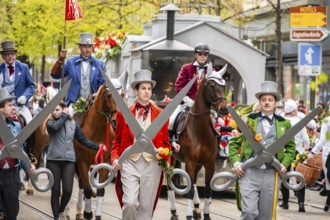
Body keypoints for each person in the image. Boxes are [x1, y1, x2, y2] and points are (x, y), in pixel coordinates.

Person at [229, 81, 295, 220]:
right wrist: (236, 164)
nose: (266, 103)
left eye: (270, 100)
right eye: (263, 99)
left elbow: (291, 148)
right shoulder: (248, 121)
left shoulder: (285, 123)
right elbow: (234, 144)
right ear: (259, 102)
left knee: (266, 216)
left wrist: (284, 164)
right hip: (249, 173)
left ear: (275, 102)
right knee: (249, 212)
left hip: (272, 174)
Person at [111, 70, 171, 220]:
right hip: (130, 162)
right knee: (130, 202)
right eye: (143, 88)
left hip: (152, 164)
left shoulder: (161, 114)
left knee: (146, 207)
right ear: (136, 91)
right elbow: (117, 141)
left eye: (149, 89)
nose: (147, 92)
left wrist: (165, 157)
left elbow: (166, 144)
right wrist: (115, 158)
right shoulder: (123, 113)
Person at [46, 102, 106, 220]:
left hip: (69, 161)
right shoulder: (50, 122)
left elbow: (83, 140)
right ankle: (56, 217)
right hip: (53, 160)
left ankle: (61, 209)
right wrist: (63, 115)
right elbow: (54, 129)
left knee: (68, 190)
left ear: (64, 109)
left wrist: (97, 147)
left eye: (57, 109)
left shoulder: (73, 124)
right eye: (53, 110)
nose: (54, 112)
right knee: (55, 190)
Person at [0, 87, 35, 220]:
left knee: (12, 214)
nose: (13, 108)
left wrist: (28, 166)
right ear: (0, 108)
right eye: (9, 105)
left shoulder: (17, 126)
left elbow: (19, 152)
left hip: (12, 175)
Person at [50, 32, 105, 116]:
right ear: (79, 47)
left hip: (93, 104)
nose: (87, 49)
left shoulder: (99, 64)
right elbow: (55, 75)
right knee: (66, 120)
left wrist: (97, 94)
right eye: (84, 46)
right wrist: (60, 60)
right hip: (74, 103)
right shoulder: (70, 62)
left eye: (89, 46)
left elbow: (103, 84)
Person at [169, 42, 211, 146]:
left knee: (220, 123)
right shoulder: (186, 68)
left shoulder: (211, 71)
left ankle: (219, 149)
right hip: (187, 103)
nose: (202, 56)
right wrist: (186, 99)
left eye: (205, 54)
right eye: (200, 53)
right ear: (195, 55)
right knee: (171, 120)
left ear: (207, 56)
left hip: (204, 106)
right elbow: (179, 85)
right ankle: (172, 141)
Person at [280, 99, 310, 212]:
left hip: (285, 153)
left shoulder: (281, 121)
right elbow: (306, 139)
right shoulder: (299, 121)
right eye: (296, 110)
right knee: (300, 178)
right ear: (292, 111)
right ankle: (301, 204)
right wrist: (307, 147)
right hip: (299, 153)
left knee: (284, 177)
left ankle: (285, 202)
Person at [0, 40, 36, 124]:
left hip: (21, 106)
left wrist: (25, 96)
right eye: (7, 54)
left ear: (15, 55)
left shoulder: (24, 67)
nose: (10, 56)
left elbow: (31, 86)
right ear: (3, 56)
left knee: (30, 125)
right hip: (4, 107)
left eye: (12, 54)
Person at [308, 114, 330, 212]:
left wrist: (313, 152)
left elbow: (323, 139)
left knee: (329, 178)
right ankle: (328, 202)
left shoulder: (327, 120)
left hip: (328, 154)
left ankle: (328, 202)